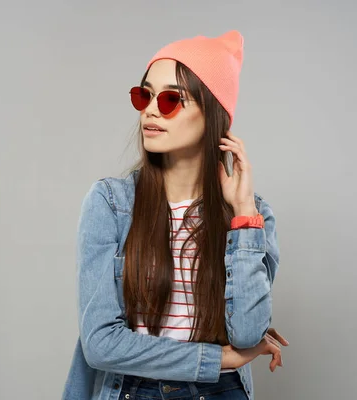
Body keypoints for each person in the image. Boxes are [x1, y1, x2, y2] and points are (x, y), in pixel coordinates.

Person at [62, 30, 288, 400]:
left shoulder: (253, 213)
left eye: (170, 100)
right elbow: (101, 344)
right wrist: (220, 359)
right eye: (144, 94)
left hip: (220, 393)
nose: (150, 108)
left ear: (212, 111)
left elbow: (248, 332)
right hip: (133, 390)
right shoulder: (111, 203)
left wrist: (244, 215)